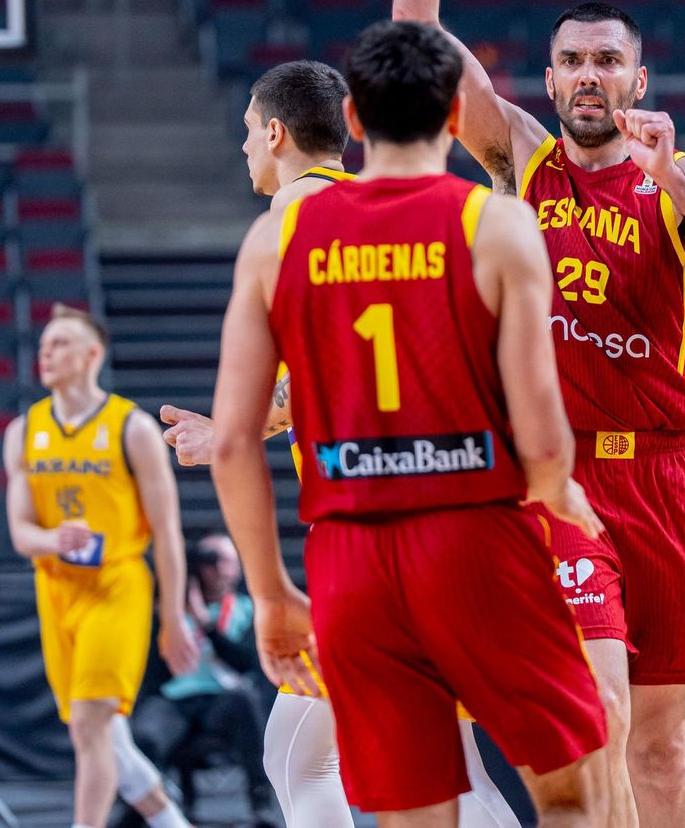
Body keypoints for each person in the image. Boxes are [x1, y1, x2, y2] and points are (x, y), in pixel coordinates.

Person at [393, 0, 685, 827]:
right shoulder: (522, 157)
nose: (589, 76)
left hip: (667, 471)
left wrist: (684, 192)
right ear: (553, 76)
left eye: (608, 61)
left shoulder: (684, 176)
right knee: (598, 712)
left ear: (637, 79)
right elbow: (417, 41)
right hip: (563, 479)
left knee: (661, 744)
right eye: (572, 60)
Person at [209, 20, 610, 827]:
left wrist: (272, 591)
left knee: (413, 809)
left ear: (353, 122)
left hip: (353, 552)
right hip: (472, 538)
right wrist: (558, 492)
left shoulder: (274, 241)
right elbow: (541, 434)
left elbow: (228, 442)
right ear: (454, 119)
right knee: (570, 792)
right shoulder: (494, 224)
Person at [155, 60, 521, 827]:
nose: (245, 149)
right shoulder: (411, 210)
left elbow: (284, 397)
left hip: (370, 526)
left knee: (319, 755)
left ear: (277, 133)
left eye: (248, 132)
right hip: (460, 510)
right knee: (420, 761)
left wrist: (227, 435)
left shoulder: (285, 230)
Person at [2, 304, 201, 828]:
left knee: (92, 724)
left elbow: (167, 531)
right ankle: (171, 823)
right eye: (44, 345)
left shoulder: (130, 428)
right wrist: (52, 538)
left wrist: (174, 615)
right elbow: (20, 532)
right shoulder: (23, 431)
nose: (47, 353)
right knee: (99, 734)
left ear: (93, 354)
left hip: (116, 586)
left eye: (61, 343)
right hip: (56, 589)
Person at [130, 534, 275, 827]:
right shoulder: (169, 613)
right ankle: (141, 809)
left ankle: (261, 804)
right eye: (209, 560)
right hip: (176, 699)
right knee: (145, 732)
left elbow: (245, 662)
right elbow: (152, 669)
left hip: (221, 700)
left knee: (246, 701)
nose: (216, 569)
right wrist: (172, 614)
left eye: (223, 561)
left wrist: (205, 625)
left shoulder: (245, 609)